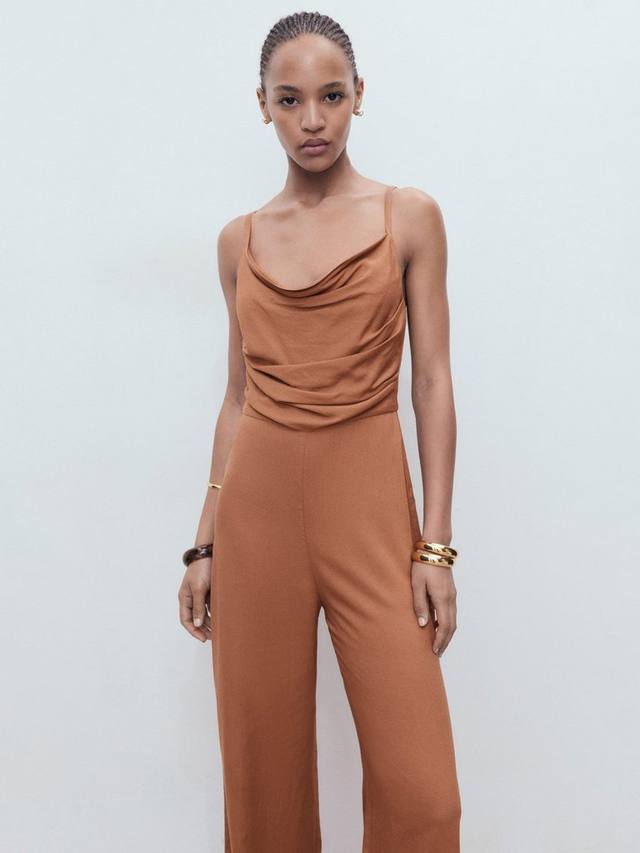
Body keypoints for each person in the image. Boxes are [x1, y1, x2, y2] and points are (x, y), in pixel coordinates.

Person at [178, 11, 462, 853]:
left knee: (425, 796)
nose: (313, 120)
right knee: (262, 779)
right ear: (262, 104)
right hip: (257, 515)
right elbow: (238, 398)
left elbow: (433, 382)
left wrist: (436, 547)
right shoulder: (239, 241)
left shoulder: (408, 217)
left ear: (359, 96)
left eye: (332, 97)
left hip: (369, 508)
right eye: (290, 99)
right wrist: (204, 544)